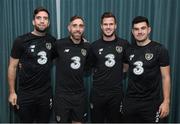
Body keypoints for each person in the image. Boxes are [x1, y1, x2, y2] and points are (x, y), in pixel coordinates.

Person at [8, 7, 56, 122]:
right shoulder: (20, 41)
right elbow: (12, 67)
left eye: (45, 18)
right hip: (25, 94)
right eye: (39, 18)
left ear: (48, 23)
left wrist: (80, 43)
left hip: (45, 94)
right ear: (33, 21)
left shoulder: (52, 41)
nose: (42, 21)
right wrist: (12, 92)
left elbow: (64, 52)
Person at [123, 16, 171, 122]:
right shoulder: (128, 50)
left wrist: (166, 101)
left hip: (151, 103)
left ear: (149, 29)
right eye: (136, 29)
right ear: (132, 31)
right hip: (130, 101)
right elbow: (124, 69)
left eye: (143, 28)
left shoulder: (159, 49)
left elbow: (166, 77)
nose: (139, 32)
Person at [89, 12, 129, 123]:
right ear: (101, 26)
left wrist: (114, 73)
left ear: (115, 25)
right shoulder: (94, 46)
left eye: (111, 24)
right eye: (105, 24)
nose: (108, 27)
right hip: (97, 93)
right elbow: (91, 67)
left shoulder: (124, 44)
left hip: (116, 94)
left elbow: (126, 66)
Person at [54, 15, 90, 123]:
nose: (78, 29)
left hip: (79, 95)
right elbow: (45, 58)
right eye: (74, 26)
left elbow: (88, 67)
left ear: (83, 29)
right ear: (69, 28)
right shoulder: (59, 44)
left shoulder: (87, 46)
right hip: (62, 95)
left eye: (81, 26)